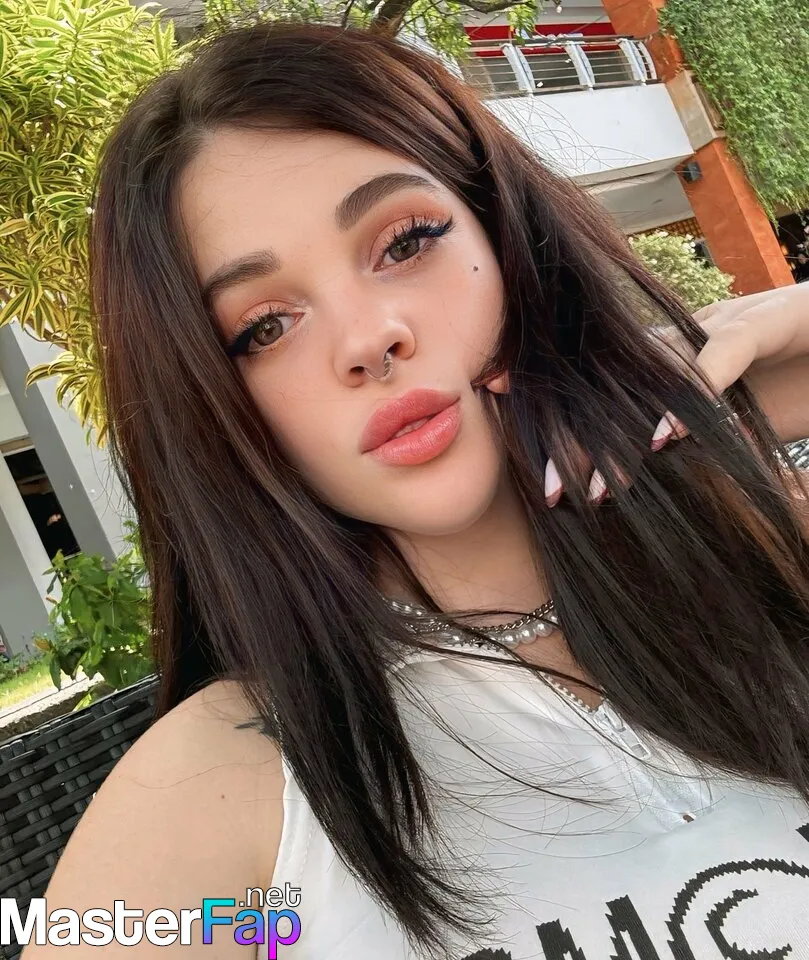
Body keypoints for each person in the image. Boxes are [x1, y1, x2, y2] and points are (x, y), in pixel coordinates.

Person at [21, 22, 809, 960]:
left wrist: (785, 329)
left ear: (507, 238)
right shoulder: (227, 799)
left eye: (405, 242)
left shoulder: (765, 550)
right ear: (214, 408)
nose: (368, 339)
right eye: (264, 327)